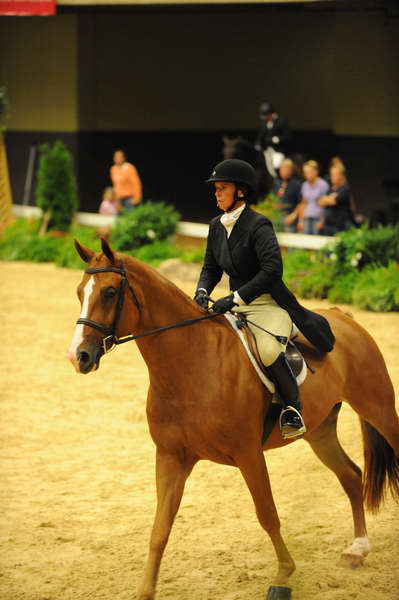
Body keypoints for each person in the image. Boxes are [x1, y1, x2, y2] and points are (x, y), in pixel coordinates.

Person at [193, 159, 335, 440]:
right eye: (216, 189)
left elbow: (273, 270)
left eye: (222, 189)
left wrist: (234, 297)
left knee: (268, 350)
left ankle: (293, 410)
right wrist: (202, 291)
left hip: (268, 302)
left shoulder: (258, 225)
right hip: (235, 304)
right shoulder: (216, 225)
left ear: (241, 192)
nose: (217, 194)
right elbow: (211, 268)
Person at [286, 160, 328, 235]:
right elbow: (303, 203)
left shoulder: (323, 185)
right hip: (307, 218)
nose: (307, 175)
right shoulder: (304, 185)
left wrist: (322, 221)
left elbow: (326, 206)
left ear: (316, 171)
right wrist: (300, 221)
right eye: (305, 172)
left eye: (309, 172)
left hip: (317, 219)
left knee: (317, 243)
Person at [255, 102, 291, 179]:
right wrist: (258, 143)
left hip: (278, 150)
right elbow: (260, 136)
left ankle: (280, 180)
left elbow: (287, 136)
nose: (265, 118)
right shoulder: (263, 123)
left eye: (266, 115)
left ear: (271, 114)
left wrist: (277, 139)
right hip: (267, 150)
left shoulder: (281, 121)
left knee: (276, 164)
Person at [319, 164, 354, 235]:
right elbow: (320, 202)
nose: (332, 177)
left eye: (335, 175)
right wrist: (329, 198)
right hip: (328, 226)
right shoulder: (330, 189)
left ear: (341, 176)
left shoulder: (345, 188)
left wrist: (327, 199)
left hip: (340, 227)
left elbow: (333, 201)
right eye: (331, 175)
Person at [272, 159, 301, 232]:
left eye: (286, 169)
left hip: (289, 218)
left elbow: (301, 203)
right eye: (282, 169)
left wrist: (293, 216)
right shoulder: (277, 183)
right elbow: (272, 199)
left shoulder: (296, 184)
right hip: (277, 217)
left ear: (291, 170)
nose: (283, 171)